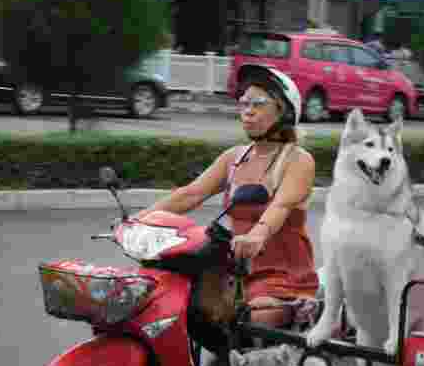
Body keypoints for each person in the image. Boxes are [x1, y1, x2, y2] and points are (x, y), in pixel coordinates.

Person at [136, 66, 319, 330]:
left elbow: (281, 205)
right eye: (244, 102)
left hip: (282, 278)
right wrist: (141, 219)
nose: (248, 110)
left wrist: (257, 235)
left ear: (283, 111)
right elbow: (191, 193)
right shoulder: (235, 158)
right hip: (237, 272)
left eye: (258, 103)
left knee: (254, 321)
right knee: (178, 306)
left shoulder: (297, 160)